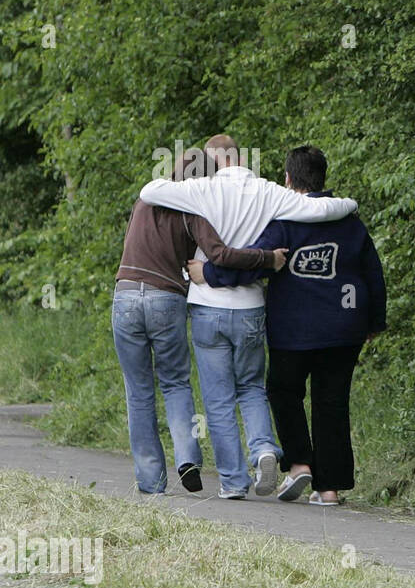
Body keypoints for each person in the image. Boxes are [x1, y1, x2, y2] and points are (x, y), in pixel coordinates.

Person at [138, 134, 359, 499]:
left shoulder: (200, 189)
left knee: (219, 399)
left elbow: (149, 191)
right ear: (242, 157)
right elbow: (319, 209)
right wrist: (350, 203)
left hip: (208, 305)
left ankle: (233, 482)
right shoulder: (269, 191)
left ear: (211, 160)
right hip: (251, 308)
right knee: (252, 388)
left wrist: (184, 180)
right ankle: (264, 450)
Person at [190, 145, 386, 506]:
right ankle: (329, 489)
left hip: (293, 331)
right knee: (332, 403)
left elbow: (255, 262)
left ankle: (299, 463)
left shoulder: (284, 222)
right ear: (323, 177)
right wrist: (375, 321)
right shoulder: (350, 222)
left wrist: (209, 274)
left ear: (288, 179)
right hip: (345, 328)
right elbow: (373, 273)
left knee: (283, 392)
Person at [113, 147, 287, 495]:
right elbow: (221, 255)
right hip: (168, 298)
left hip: (126, 293)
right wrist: (267, 258)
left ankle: (151, 482)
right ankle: (188, 457)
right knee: (175, 383)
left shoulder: (142, 202)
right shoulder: (193, 211)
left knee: (138, 391)